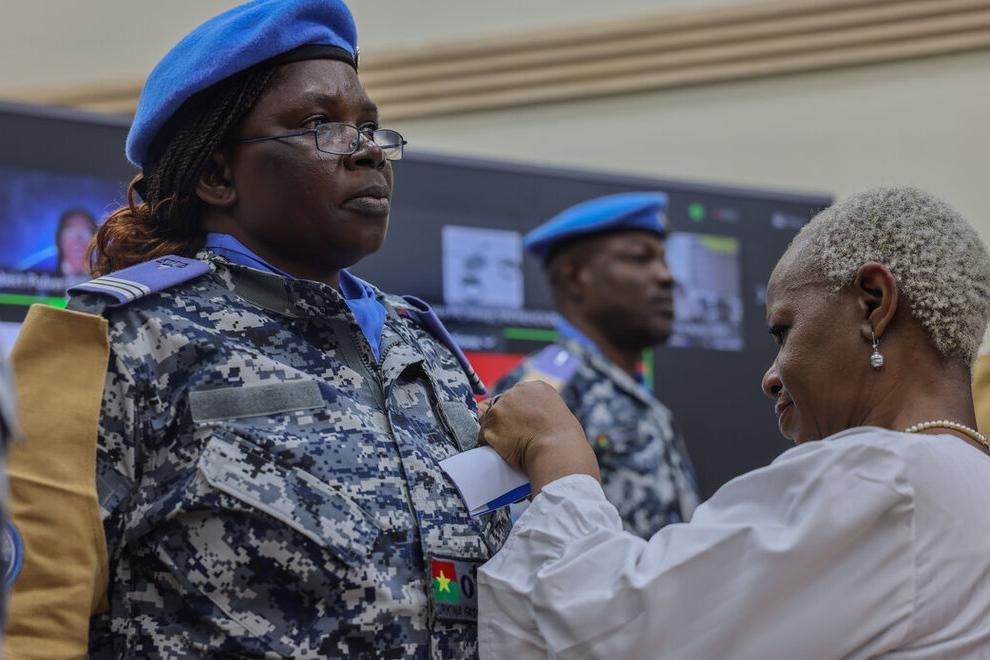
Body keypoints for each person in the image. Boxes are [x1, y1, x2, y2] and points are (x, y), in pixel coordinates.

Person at [4, 1, 508, 657]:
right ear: (217, 174)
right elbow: (30, 619)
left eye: (370, 127)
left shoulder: (425, 348)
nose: (367, 152)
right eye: (321, 126)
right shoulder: (114, 338)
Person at [477, 186, 990, 659]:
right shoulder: (965, 480)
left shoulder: (879, 481)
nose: (771, 377)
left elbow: (619, 630)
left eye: (784, 331)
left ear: (874, 304)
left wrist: (556, 456)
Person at [492, 192, 699, 537]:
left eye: (664, 260)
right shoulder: (543, 389)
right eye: (640, 258)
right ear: (576, 278)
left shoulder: (630, 387)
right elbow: (512, 535)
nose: (666, 276)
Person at [53, 208, 98, 277]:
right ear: (59, 240)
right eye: (71, 232)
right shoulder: (41, 278)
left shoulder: (106, 279)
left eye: (86, 233)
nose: (79, 241)